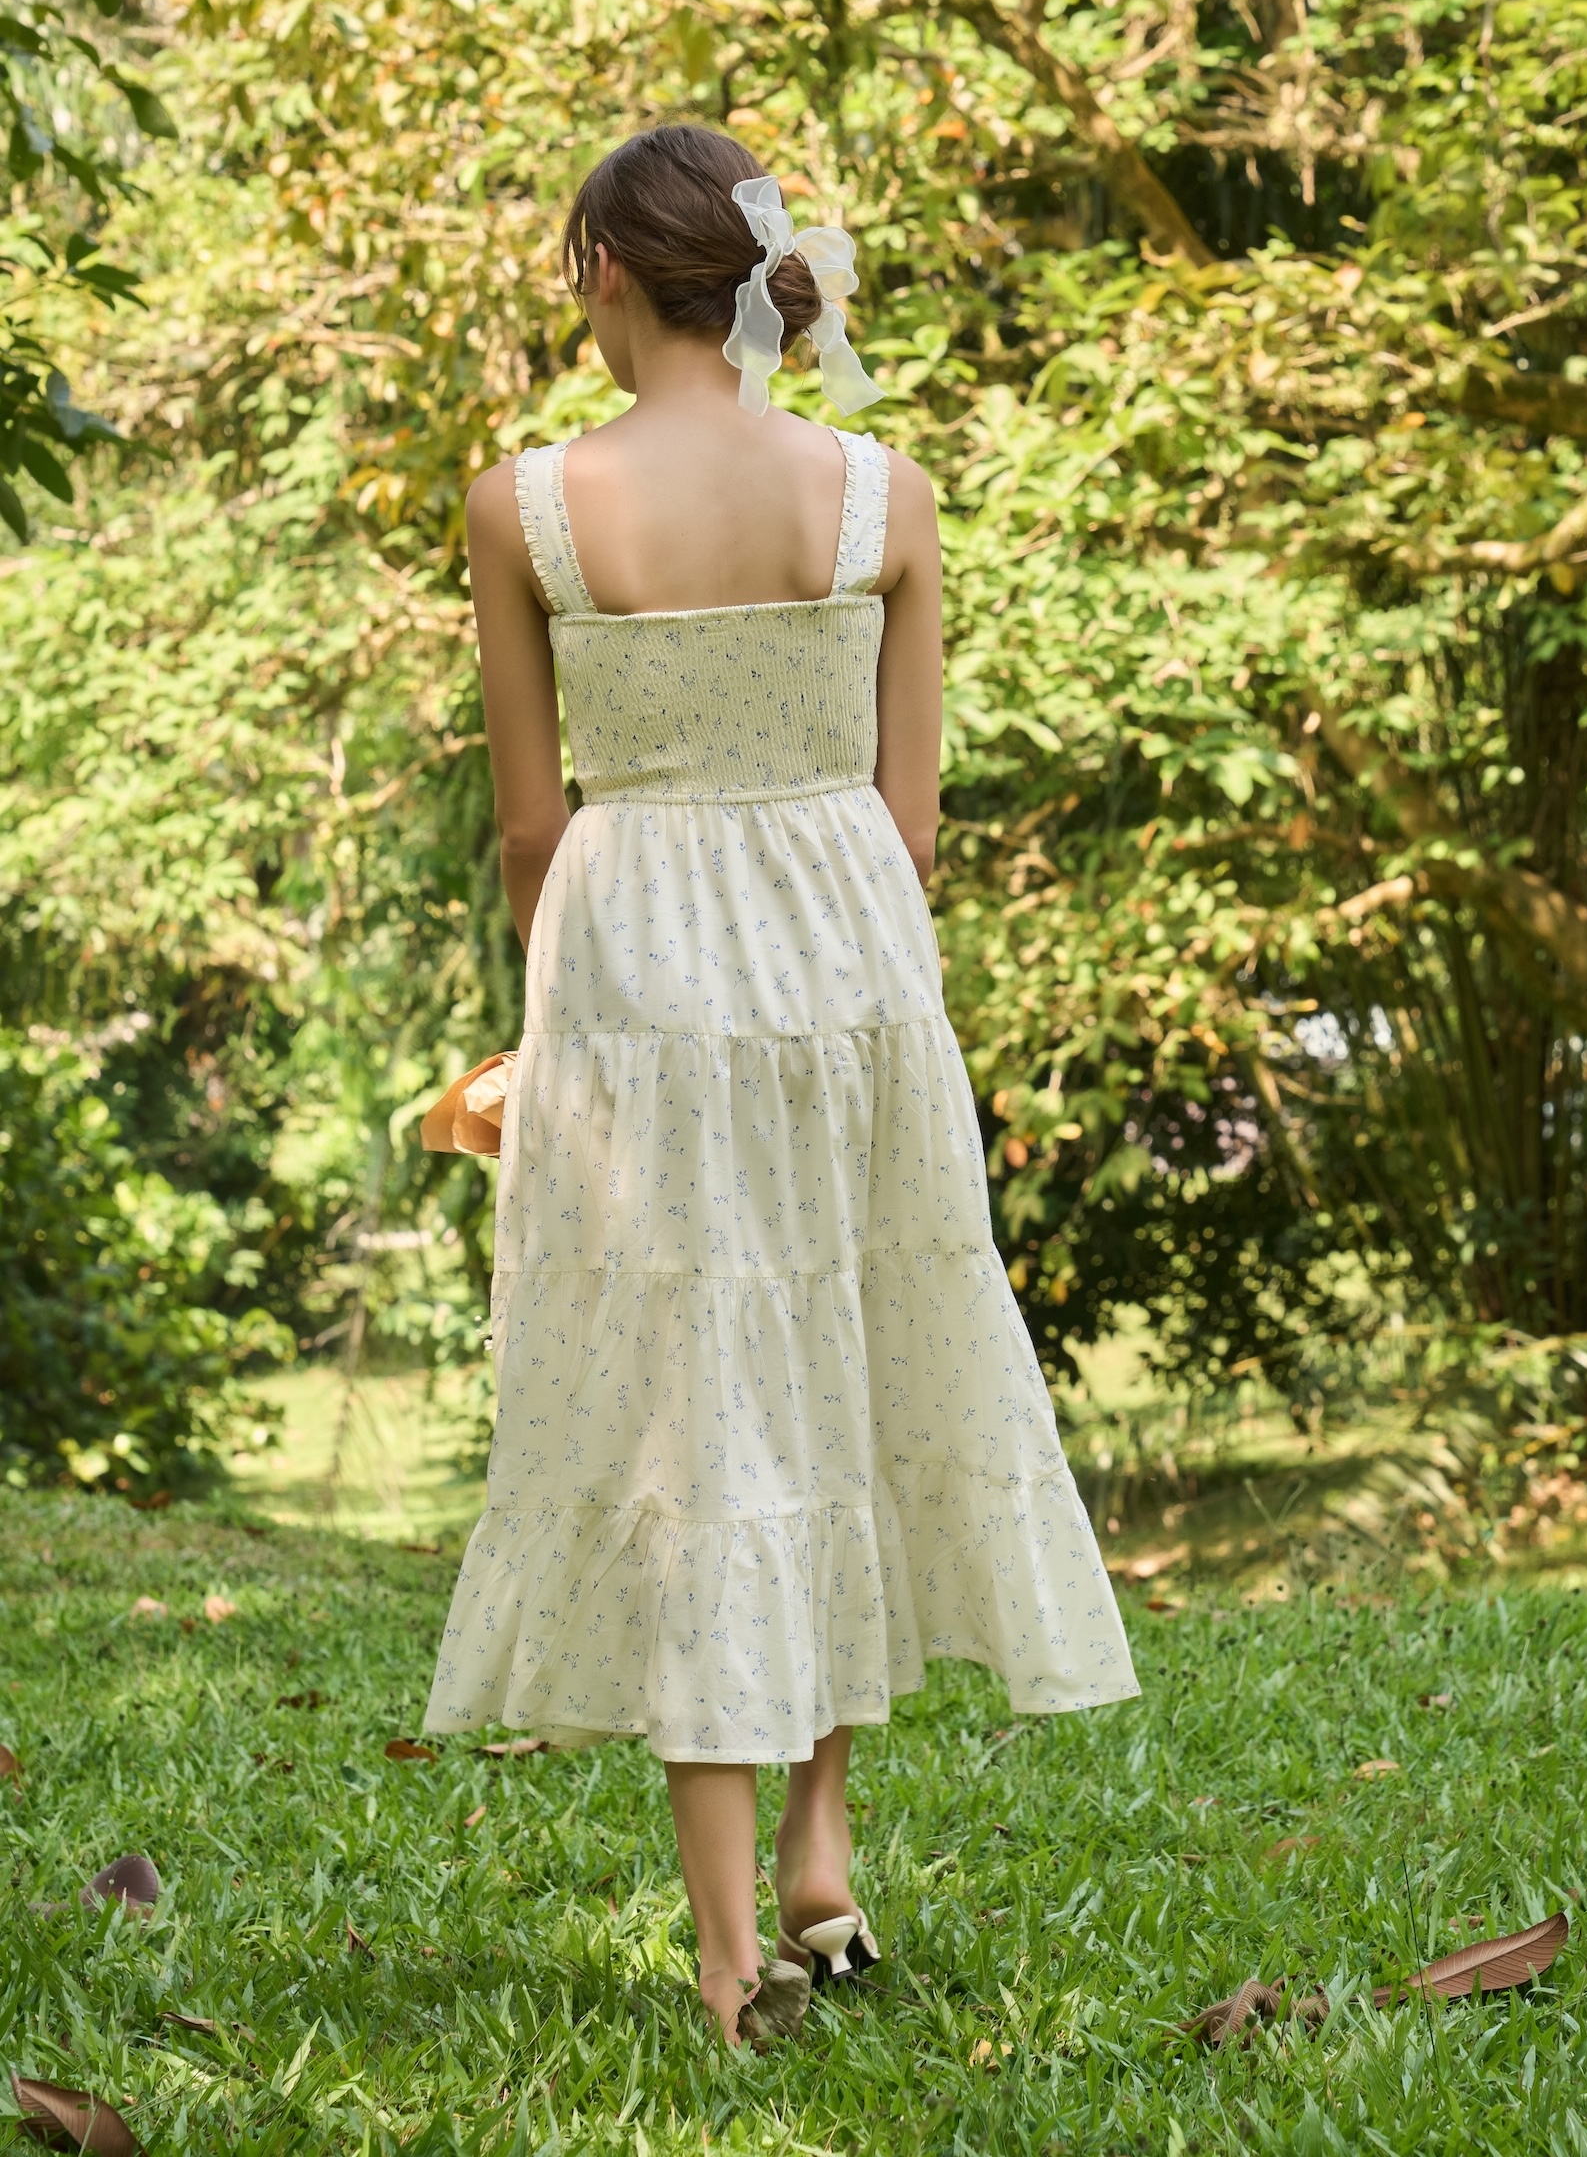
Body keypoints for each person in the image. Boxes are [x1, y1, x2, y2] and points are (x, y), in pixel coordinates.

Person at [425, 123, 1138, 2047]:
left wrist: (549, 1017)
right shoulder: (880, 490)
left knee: (698, 1412)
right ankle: (826, 1845)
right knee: (838, 1358)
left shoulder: (528, 505)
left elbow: (524, 826)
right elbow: (911, 829)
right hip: (846, 962)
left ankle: (739, 1953)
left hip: (641, 950)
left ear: (606, 274)